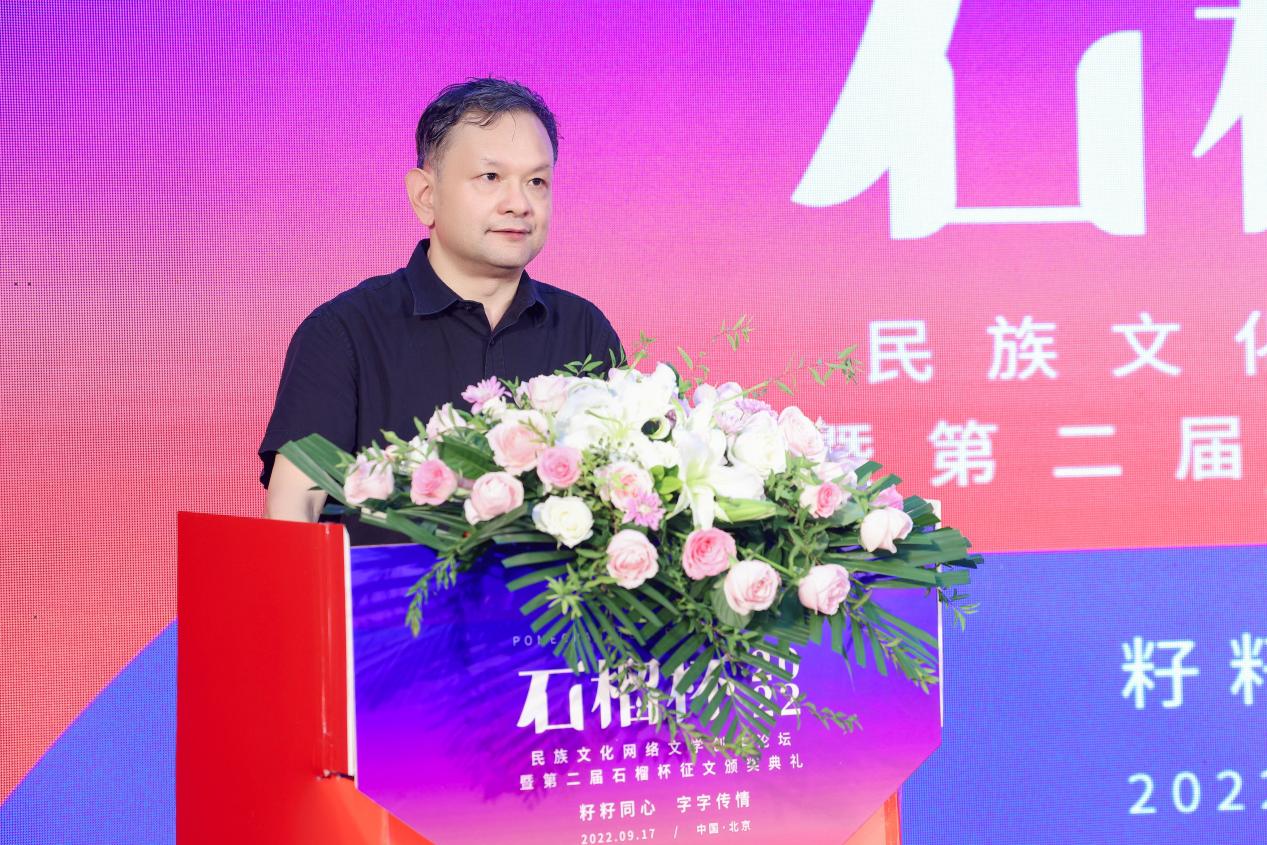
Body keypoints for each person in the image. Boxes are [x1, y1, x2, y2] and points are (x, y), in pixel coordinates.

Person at [259, 78, 622, 544]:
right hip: (389, 593)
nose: (519, 204)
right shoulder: (343, 333)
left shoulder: (585, 332)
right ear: (425, 195)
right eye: (490, 178)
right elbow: (294, 509)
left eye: (536, 181)